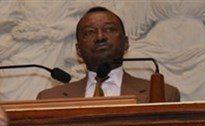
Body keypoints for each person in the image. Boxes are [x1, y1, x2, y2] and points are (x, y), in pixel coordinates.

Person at [36, 6, 180, 103]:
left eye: (109, 29)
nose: (100, 37)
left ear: (126, 43)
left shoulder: (164, 94)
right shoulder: (49, 99)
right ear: (78, 50)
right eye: (89, 32)